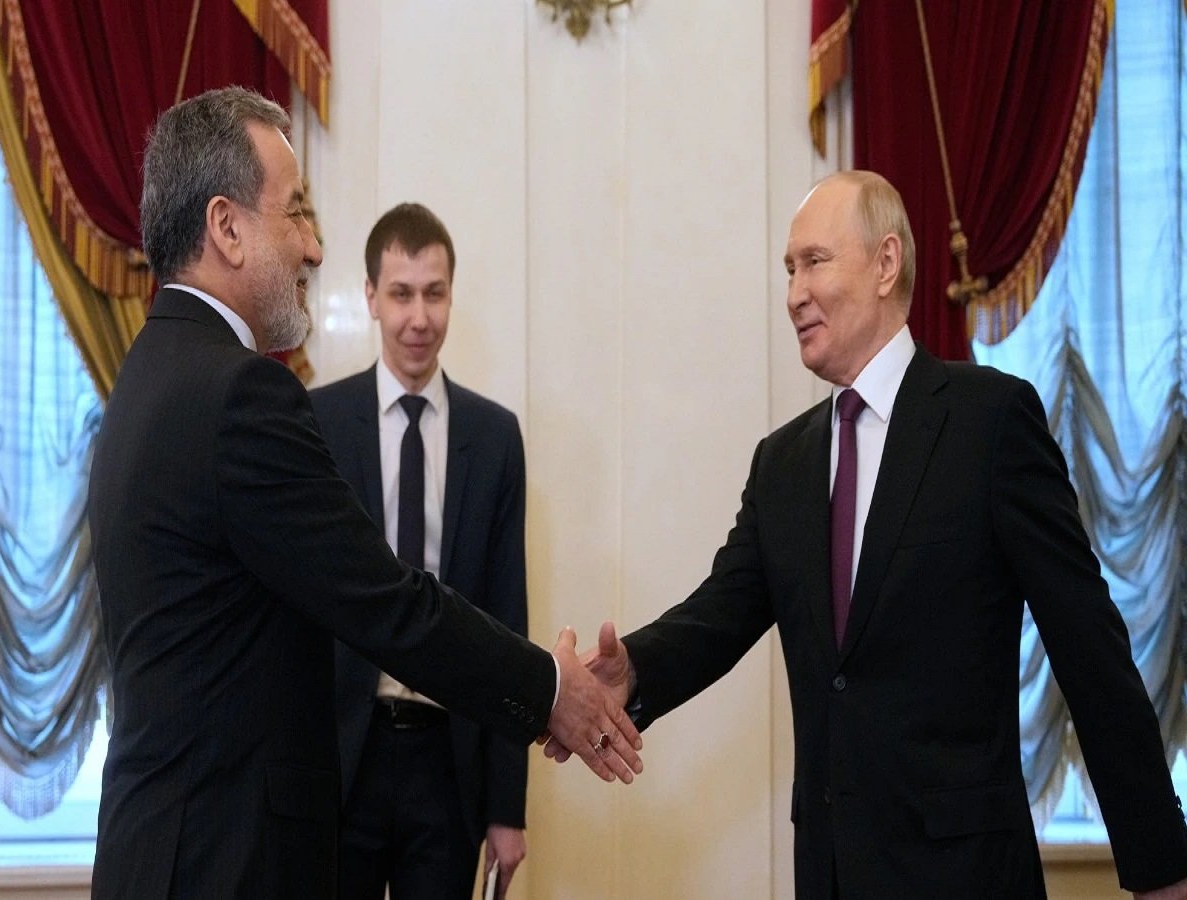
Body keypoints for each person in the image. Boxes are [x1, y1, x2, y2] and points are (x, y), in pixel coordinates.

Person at [551, 170, 1187, 899]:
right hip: (832, 874)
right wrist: (633, 671)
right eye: (789, 269)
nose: (794, 293)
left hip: (966, 875)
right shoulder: (782, 463)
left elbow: (1087, 643)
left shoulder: (989, 422)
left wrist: (1160, 864)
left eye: (815, 262)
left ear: (886, 263)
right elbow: (719, 614)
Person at [87, 86, 640, 900]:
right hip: (223, 859)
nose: (313, 248)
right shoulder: (240, 394)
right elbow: (386, 602)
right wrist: (549, 689)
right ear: (227, 228)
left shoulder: (150, 372)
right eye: (296, 212)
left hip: (165, 851)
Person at [310, 203, 530, 898]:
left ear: (451, 296)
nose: (419, 318)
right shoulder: (317, 423)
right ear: (370, 297)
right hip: (341, 758)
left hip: (448, 763)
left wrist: (508, 807)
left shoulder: (494, 438)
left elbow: (508, 621)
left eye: (434, 294)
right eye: (401, 294)